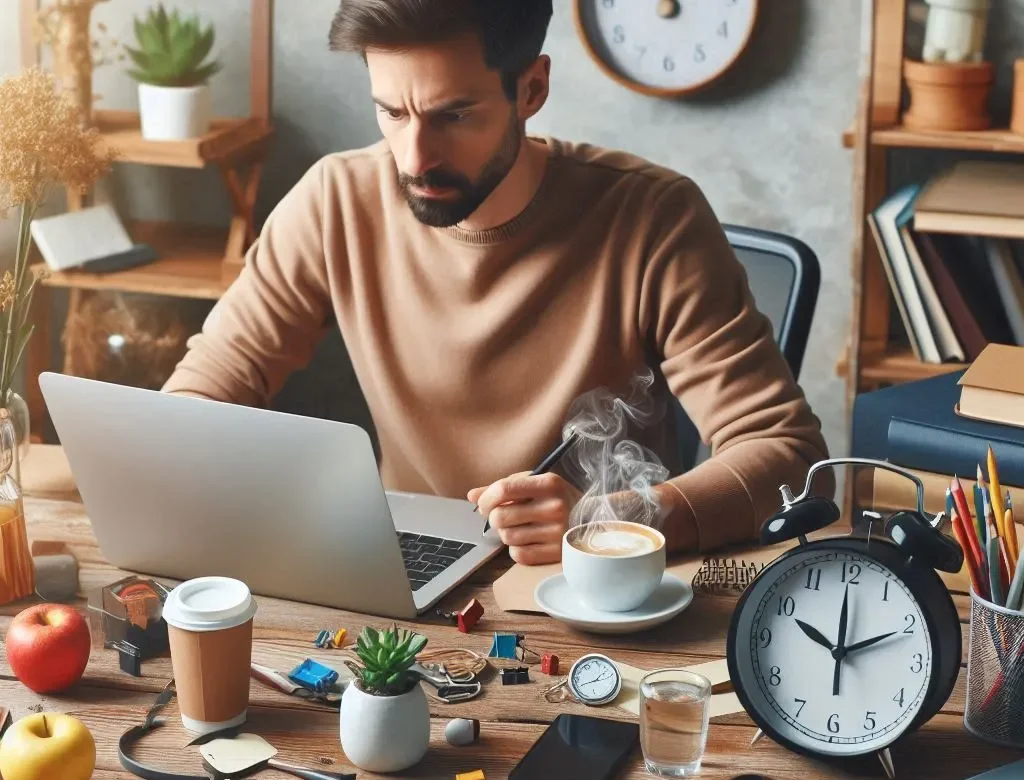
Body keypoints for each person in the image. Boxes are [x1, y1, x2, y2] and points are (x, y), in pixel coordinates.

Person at [163, 0, 832, 565]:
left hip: (589, 593)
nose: (414, 157)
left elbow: (790, 459)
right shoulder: (334, 202)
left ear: (531, 90)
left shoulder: (655, 219)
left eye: (454, 116)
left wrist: (616, 517)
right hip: (400, 579)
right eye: (392, 112)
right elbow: (202, 392)